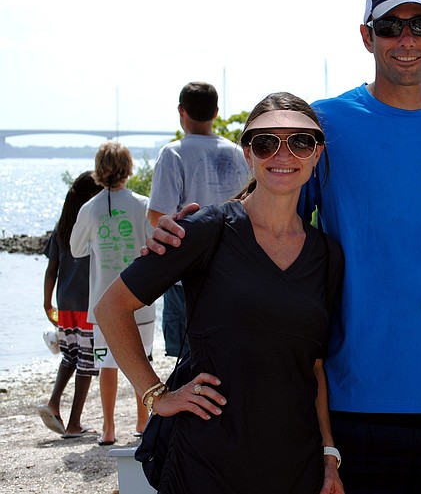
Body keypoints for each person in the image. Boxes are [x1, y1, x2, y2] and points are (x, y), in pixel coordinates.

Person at [145, 0, 421, 493]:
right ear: (367, 36)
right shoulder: (328, 124)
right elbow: (271, 214)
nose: (406, 39)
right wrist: (190, 237)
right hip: (351, 400)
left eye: (420, 24)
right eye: (390, 26)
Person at [95, 92, 344, 493]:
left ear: (316, 155)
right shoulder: (205, 229)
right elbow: (111, 307)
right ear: (247, 154)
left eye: (300, 141)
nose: (283, 154)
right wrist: (156, 395)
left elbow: (314, 367)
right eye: (266, 142)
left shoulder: (327, 254)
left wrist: (329, 456)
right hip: (206, 463)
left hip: (294, 466)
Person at [148, 82, 249, 358]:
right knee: (227, 353)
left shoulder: (173, 153)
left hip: (185, 274)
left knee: (186, 360)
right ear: (216, 112)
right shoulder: (239, 154)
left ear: (181, 111)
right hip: (233, 270)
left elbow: (158, 214)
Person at [70, 142, 153, 446]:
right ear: (129, 168)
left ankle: (108, 428)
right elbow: (154, 241)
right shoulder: (142, 204)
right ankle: (143, 422)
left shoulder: (89, 209)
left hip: (103, 303)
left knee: (107, 364)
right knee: (140, 361)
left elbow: (76, 249)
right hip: (138, 299)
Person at [37, 171, 103, 438]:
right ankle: (74, 424)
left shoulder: (62, 227)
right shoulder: (93, 224)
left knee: (69, 356)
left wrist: (46, 302)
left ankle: (53, 403)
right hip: (88, 304)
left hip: (64, 303)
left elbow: (51, 270)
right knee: (86, 362)